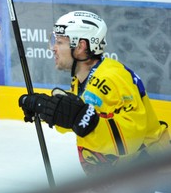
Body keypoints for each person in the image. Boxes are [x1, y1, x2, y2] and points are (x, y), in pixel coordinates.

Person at [18, 11, 170, 178]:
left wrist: (83, 120)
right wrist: (47, 109)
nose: (53, 48)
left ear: (81, 46)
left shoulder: (111, 78)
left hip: (150, 172)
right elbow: (76, 114)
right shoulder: (83, 78)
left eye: (59, 42)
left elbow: (132, 138)